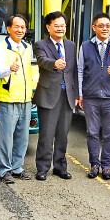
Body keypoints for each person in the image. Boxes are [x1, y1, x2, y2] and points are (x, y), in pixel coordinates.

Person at [78, 12, 110, 181]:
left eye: (107, 26)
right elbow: (79, 70)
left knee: (109, 134)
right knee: (92, 133)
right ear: (94, 27)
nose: (105, 28)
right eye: (101, 26)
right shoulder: (85, 46)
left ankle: (106, 166)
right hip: (91, 96)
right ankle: (94, 164)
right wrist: (80, 93)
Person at [33, 11, 78, 181]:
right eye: (57, 25)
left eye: (63, 25)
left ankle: (60, 167)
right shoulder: (40, 44)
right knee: (46, 134)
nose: (60, 29)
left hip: (67, 95)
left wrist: (77, 94)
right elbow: (42, 60)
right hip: (48, 94)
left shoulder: (71, 45)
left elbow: (73, 72)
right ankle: (42, 168)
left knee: (62, 134)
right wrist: (55, 64)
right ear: (48, 27)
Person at [0, 14, 34, 184]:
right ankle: (4, 170)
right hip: (8, 98)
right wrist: (9, 69)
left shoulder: (27, 46)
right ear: (8, 29)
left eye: (23, 27)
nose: (20, 30)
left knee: (22, 137)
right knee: (6, 137)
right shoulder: (1, 47)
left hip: (25, 98)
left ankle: (17, 168)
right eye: (16, 27)